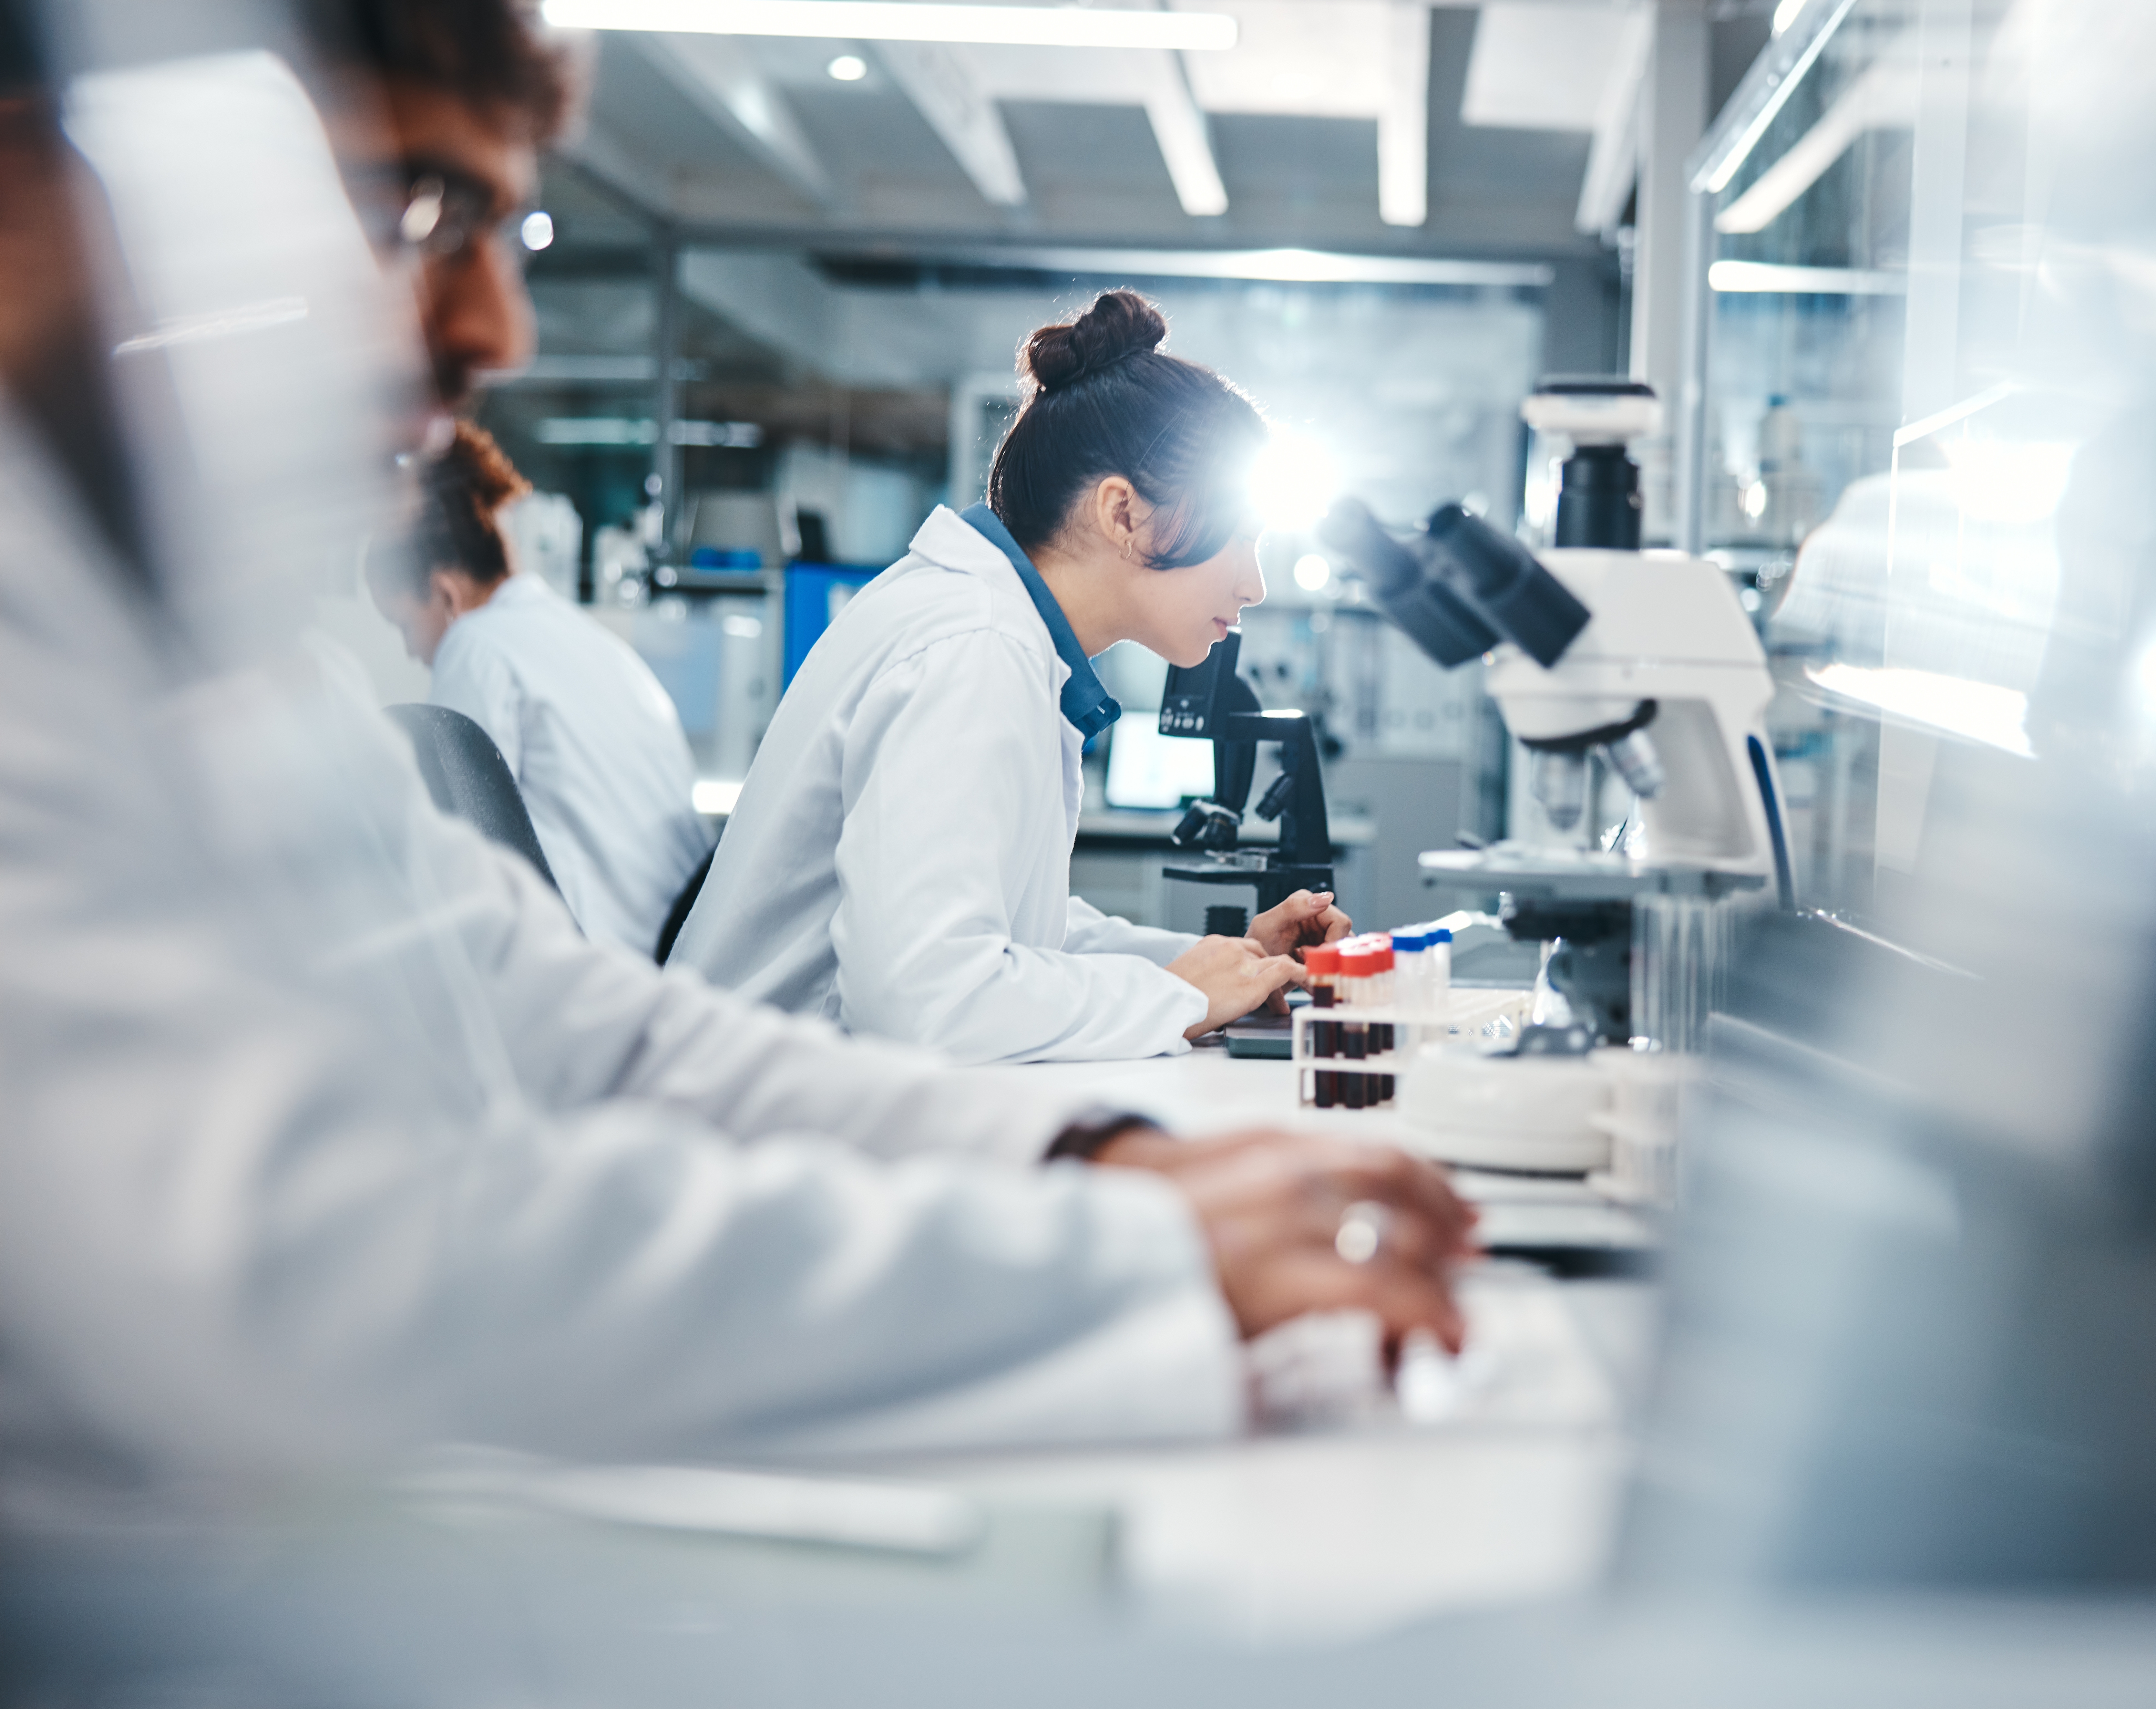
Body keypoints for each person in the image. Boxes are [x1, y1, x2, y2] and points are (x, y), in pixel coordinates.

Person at [0, 0, 1467, 1492]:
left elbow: (593, 1035)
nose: (497, 327)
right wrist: (1120, 1252)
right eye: (415, 211)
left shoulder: (241, 685)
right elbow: (313, 1276)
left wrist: (1108, 1165)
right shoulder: (969, 642)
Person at [670, 292, 1350, 1064]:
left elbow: (1020, 936)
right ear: (1123, 513)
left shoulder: (989, 627)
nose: (1256, 585)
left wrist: (1221, 963)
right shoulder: (974, 646)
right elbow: (923, 999)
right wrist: (1185, 998)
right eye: (1241, 539)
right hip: (760, 1125)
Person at [369, 421, 713, 955]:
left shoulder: (476, 643)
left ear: (445, 595)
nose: (412, 650)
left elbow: (456, 848)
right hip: (669, 954)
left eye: (404, 626)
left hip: (599, 960)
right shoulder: (593, 645)